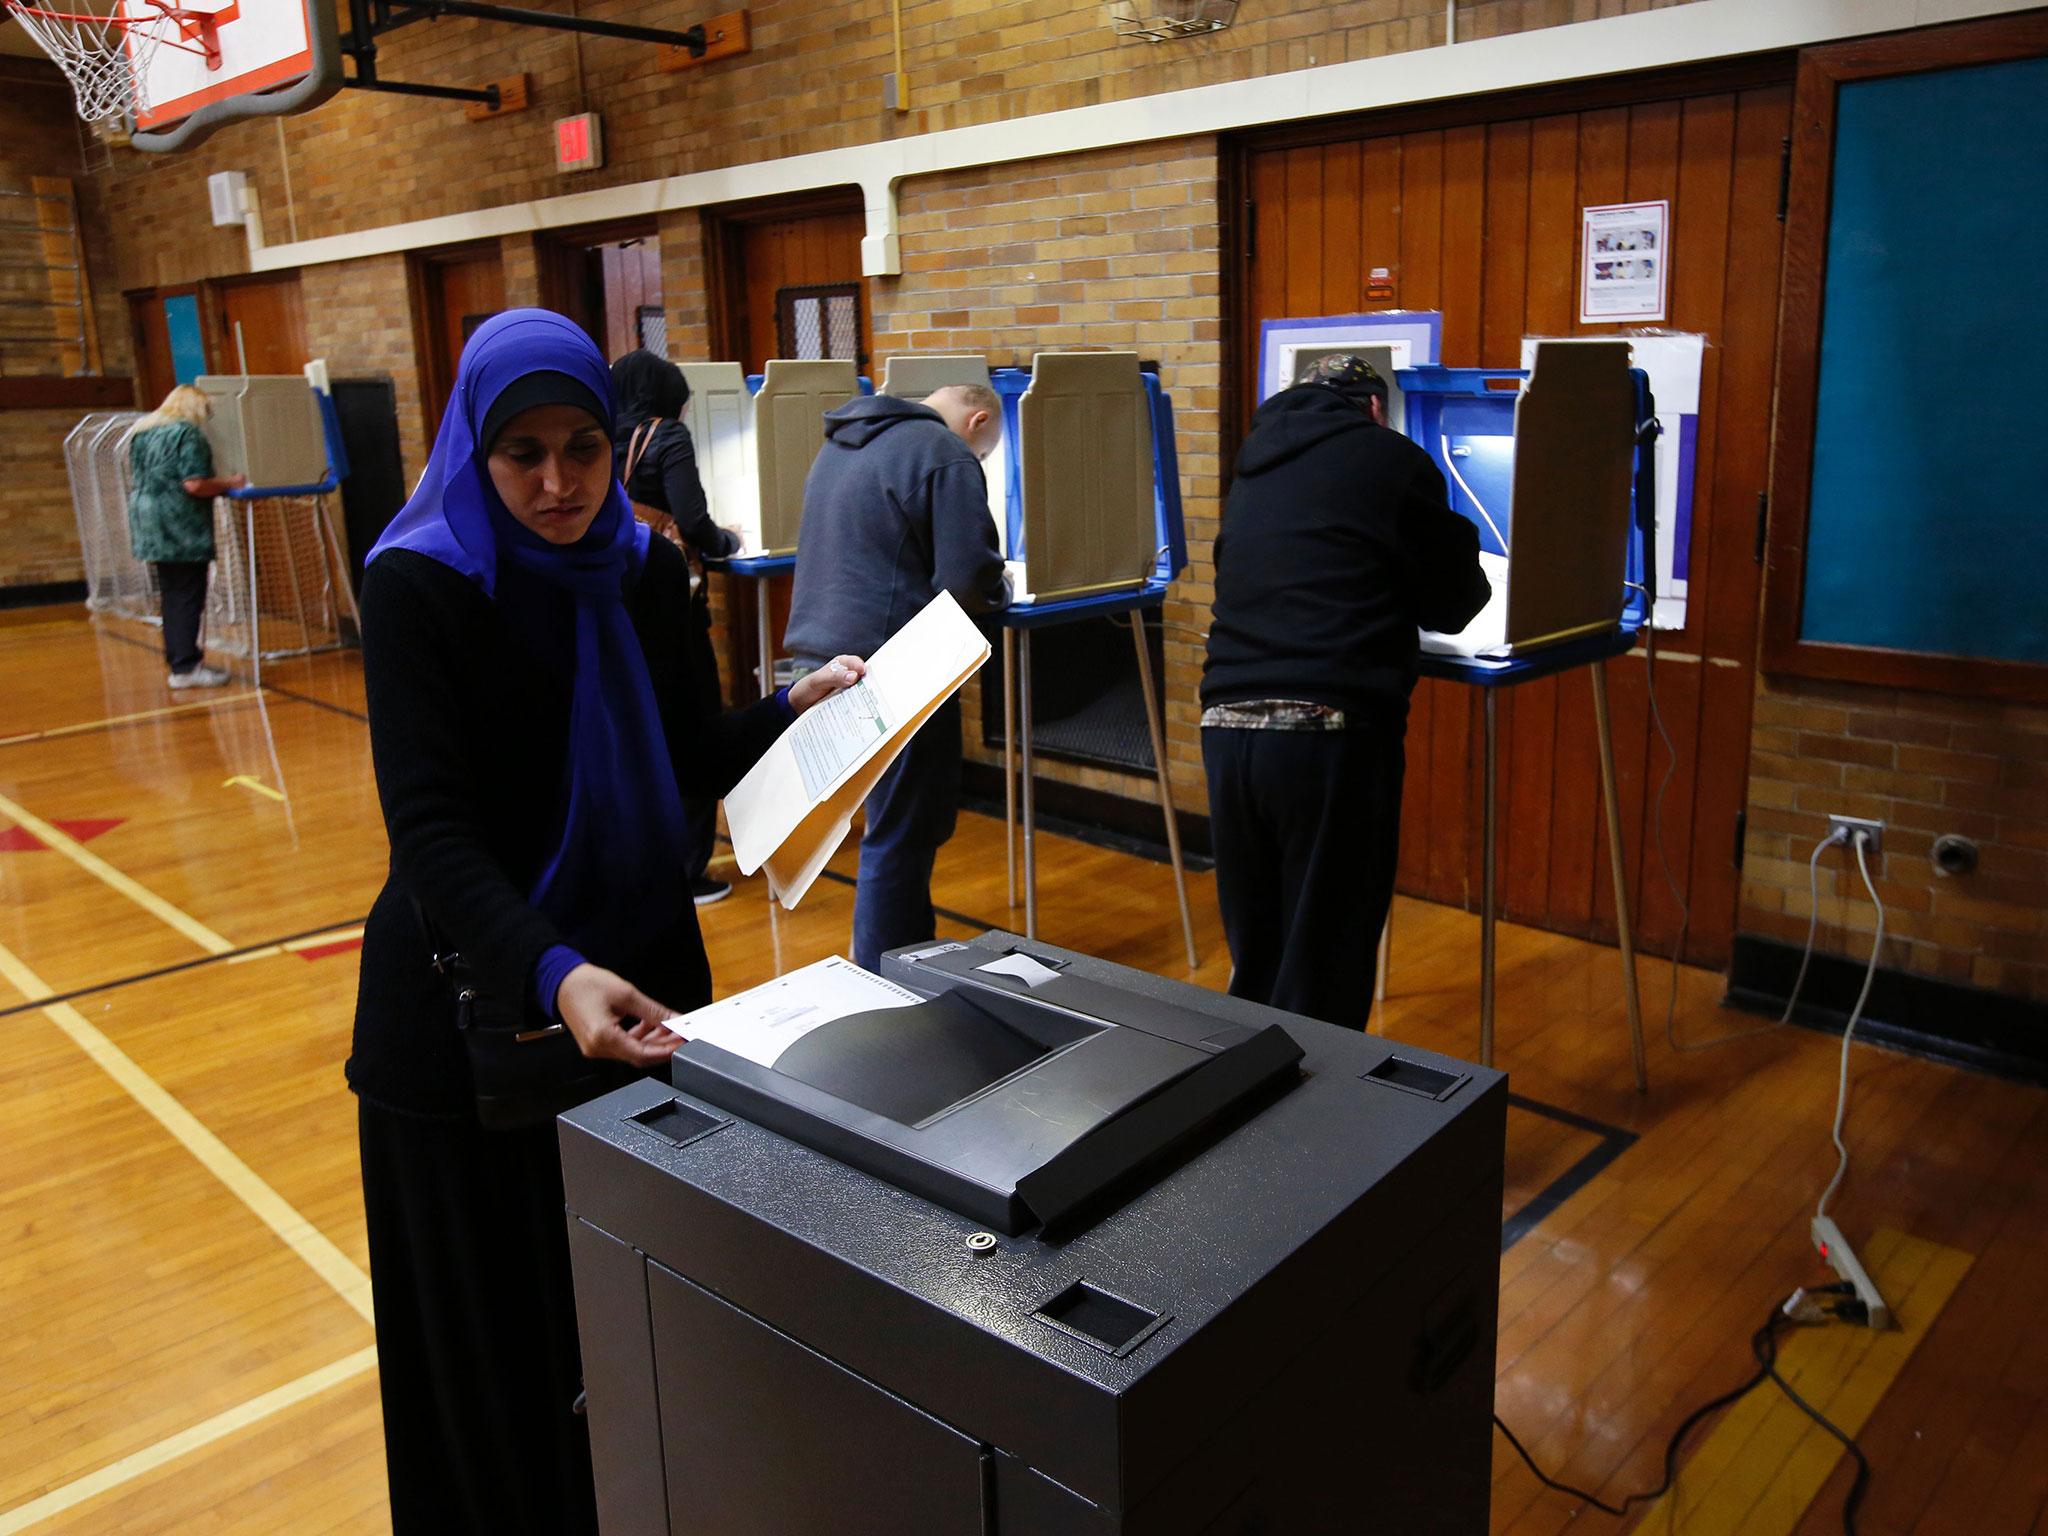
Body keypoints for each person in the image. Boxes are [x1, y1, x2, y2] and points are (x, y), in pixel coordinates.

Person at [347, 308, 864, 1535]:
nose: (557, 482)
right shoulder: (419, 581)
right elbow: (432, 836)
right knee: (503, 1376)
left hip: (632, 1002)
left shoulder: (642, 568)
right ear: (474, 452)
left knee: (629, 1343)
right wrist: (553, 971)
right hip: (475, 1020)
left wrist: (806, 705)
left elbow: (688, 751)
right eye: (520, 454)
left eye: (581, 447)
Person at [1200, 354, 1491, 1030]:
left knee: (1260, 955)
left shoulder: (1253, 463)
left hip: (1225, 725)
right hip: (1327, 729)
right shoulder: (1390, 459)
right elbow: (1455, 602)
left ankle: (1252, 1113)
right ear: (1373, 407)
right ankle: (1319, 1128)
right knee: (1326, 962)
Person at [785, 383, 1008, 972]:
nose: (978, 462)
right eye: (985, 452)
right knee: (902, 834)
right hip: (893, 664)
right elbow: (967, 575)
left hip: (822, 663)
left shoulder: (843, 443)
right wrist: (999, 585)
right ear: (977, 421)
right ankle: (890, 977)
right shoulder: (943, 452)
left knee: (888, 827)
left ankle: (893, 961)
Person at [611, 347, 743, 906]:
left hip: (618, 599)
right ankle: (689, 868)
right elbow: (690, 518)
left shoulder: (601, 434)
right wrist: (726, 542)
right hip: (672, 598)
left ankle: (639, 861)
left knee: (641, 726)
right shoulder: (667, 435)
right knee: (695, 722)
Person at [124, 384, 246, 688]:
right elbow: (194, 484)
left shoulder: (143, 431)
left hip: (146, 518)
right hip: (179, 523)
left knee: (171, 594)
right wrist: (229, 482)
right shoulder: (187, 434)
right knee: (188, 594)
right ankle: (186, 667)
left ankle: (179, 661)